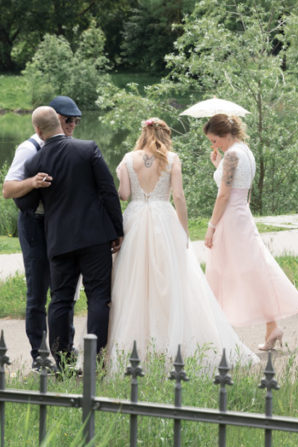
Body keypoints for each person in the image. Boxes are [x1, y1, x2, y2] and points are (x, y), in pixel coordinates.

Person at [107, 118, 256, 373]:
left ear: (143, 133)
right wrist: (183, 231)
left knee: (133, 281)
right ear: (165, 136)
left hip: (135, 220)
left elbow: (122, 194)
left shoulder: (128, 158)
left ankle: (133, 351)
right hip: (163, 220)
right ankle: (171, 345)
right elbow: (178, 196)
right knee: (171, 281)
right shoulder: (172, 159)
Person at [19, 106, 124, 370]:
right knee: (98, 297)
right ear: (59, 122)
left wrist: (33, 184)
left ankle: (63, 363)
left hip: (59, 240)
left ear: (38, 131)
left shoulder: (35, 163)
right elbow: (108, 190)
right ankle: (95, 361)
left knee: (60, 300)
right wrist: (117, 229)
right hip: (94, 237)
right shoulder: (87, 148)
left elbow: (26, 205)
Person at [203, 114, 298, 352]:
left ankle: (218, 332)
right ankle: (271, 326)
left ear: (225, 135)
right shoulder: (244, 151)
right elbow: (237, 184)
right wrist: (217, 166)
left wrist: (211, 227)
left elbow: (224, 194)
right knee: (251, 271)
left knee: (223, 272)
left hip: (230, 219)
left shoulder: (231, 156)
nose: (213, 145)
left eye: (214, 140)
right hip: (242, 215)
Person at [2, 95, 82, 366]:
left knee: (63, 291)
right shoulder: (29, 149)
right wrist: (32, 182)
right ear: (54, 120)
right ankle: (40, 355)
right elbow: (7, 189)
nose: (72, 125)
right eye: (68, 120)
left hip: (61, 225)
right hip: (35, 224)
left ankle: (65, 352)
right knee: (37, 290)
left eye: (76, 121)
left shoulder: (70, 147)